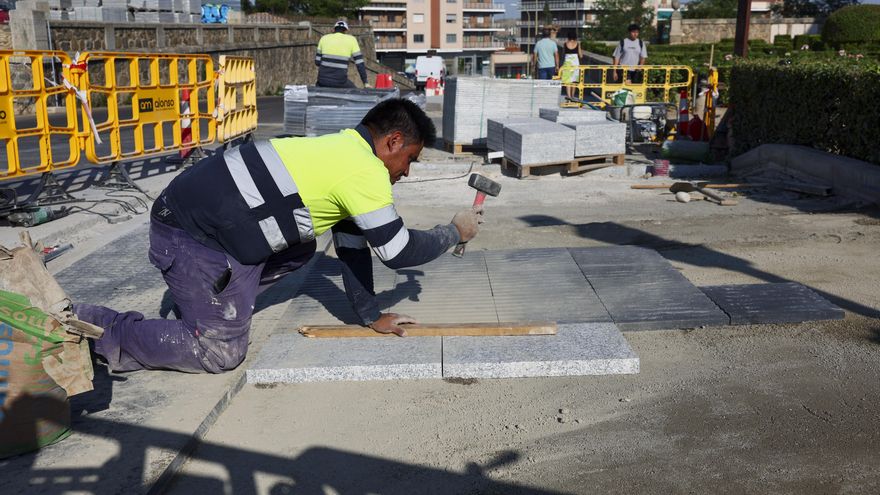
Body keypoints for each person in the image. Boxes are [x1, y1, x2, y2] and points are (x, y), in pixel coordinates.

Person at [74, 99, 483, 374]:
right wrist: (453, 231)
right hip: (186, 236)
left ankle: (210, 304)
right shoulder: (364, 171)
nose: (407, 171)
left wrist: (370, 315)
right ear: (393, 141)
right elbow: (397, 251)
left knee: (303, 244)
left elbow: (352, 241)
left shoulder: (342, 149)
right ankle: (94, 327)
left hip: (203, 226)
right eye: (409, 158)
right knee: (219, 352)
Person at [315, 20, 370, 88]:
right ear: (345, 31)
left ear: (334, 29)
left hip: (322, 81)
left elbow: (317, 62)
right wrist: (365, 82)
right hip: (340, 81)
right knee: (355, 91)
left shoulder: (324, 38)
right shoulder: (352, 40)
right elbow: (360, 64)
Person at [560, 33, 583, 99]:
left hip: (567, 62)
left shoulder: (565, 44)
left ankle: (569, 96)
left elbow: (563, 54)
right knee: (574, 79)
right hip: (575, 62)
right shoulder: (577, 44)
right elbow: (580, 55)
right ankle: (573, 95)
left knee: (568, 80)